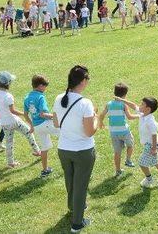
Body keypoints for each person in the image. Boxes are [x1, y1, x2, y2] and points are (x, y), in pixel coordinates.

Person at [54, 65, 98, 233]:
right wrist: (94, 118)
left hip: (64, 149)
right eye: (88, 79)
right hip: (83, 151)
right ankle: (77, 223)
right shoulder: (85, 103)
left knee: (70, 180)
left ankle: (73, 207)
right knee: (81, 186)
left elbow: (57, 124)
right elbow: (89, 132)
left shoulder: (59, 98)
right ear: (82, 81)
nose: (88, 82)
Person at [0, 71, 41, 168]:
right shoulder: (8, 96)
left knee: (9, 142)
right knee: (28, 132)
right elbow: (13, 111)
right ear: (8, 84)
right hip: (14, 121)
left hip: (4, 123)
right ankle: (37, 151)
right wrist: (24, 114)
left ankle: (10, 162)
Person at [98, 83, 138, 177]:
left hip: (114, 133)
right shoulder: (123, 104)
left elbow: (102, 114)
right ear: (125, 95)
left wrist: (101, 122)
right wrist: (139, 115)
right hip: (124, 131)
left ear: (114, 92)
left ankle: (118, 170)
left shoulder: (109, 104)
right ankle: (128, 160)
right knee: (130, 145)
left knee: (117, 152)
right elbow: (129, 117)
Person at [24, 74, 60, 178]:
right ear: (40, 86)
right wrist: (56, 116)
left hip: (37, 127)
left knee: (44, 148)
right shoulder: (40, 97)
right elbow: (43, 114)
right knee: (66, 135)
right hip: (45, 123)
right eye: (45, 86)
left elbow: (26, 114)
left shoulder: (27, 98)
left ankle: (45, 170)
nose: (45, 88)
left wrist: (31, 126)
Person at [136, 96, 158, 188]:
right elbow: (133, 106)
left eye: (142, 104)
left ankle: (149, 179)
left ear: (148, 109)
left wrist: (154, 148)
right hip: (149, 145)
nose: (140, 105)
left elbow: (154, 134)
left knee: (141, 162)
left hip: (151, 145)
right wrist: (122, 100)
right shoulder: (143, 114)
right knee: (155, 162)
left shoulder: (150, 121)